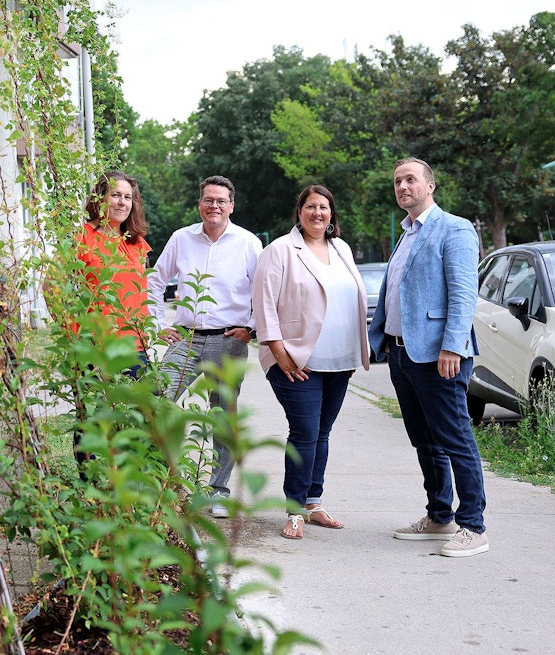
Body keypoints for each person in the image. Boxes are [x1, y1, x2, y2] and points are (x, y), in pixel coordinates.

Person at [368, 157, 488, 558]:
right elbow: (396, 293)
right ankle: (440, 516)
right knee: (424, 441)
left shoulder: (453, 228)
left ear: (430, 185)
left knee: (455, 438)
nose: (403, 186)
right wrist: (383, 338)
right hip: (402, 354)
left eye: (411, 179)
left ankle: (473, 525)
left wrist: (452, 346)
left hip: (441, 356)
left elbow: (463, 293)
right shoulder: (405, 235)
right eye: (398, 181)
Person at [253, 185, 370, 540]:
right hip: (296, 359)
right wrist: (278, 352)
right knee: (304, 433)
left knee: (322, 433)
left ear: (332, 214)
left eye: (324, 207)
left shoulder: (342, 249)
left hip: (340, 361)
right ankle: (294, 510)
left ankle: (313, 502)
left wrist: (354, 351)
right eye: (310, 207)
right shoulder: (280, 250)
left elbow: (350, 301)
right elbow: (264, 303)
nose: (317, 213)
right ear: (299, 212)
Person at [147, 175, 262, 518]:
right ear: (199, 204)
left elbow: (264, 290)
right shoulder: (182, 239)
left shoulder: (248, 243)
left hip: (229, 341)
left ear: (231, 206)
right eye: (208, 200)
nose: (214, 206)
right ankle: (154, 483)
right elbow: (155, 279)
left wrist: (252, 328)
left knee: (223, 416)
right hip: (186, 337)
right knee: (156, 401)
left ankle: (218, 490)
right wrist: (157, 326)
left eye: (221, 201)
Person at [72, 170, 151, 465]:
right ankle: (90, 493)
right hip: (96, 347)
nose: (122, 202)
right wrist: (76, 332)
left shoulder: (136, 242)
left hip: (135, 347)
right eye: (115, 195)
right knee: (92, 422)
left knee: (136, 424)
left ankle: (128, 496)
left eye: (128, 197)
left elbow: (141, 291)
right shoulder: (82, 236)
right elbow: (53, 286)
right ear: (100, 197)